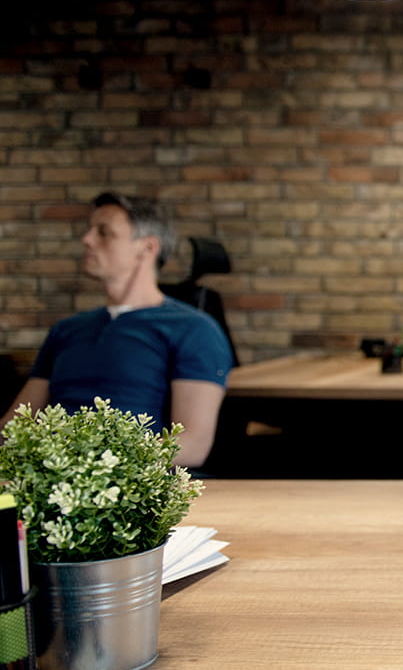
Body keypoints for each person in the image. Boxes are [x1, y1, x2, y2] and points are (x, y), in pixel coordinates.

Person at [2, 193, 233, 467]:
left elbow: (192, 444)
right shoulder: (67, 330)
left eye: (104, 233)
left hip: (125, 492)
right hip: (46, 485)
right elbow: (14, 428)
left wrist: (92, 469)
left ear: (147, 248)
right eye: (90, 230)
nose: (87, 240)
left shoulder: (194, 330)